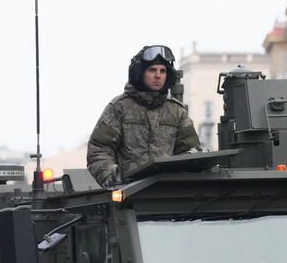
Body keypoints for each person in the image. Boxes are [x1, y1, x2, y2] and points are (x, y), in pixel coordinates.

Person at [86, 44, 201, 188]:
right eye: (152, 70)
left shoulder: (176, 111)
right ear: (139, 73)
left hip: (169, 194)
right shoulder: (119, 108)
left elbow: (191, 153)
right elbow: (99, 150)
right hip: (129, 194)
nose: (158, 75)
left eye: (163, 71)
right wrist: (111, 176)